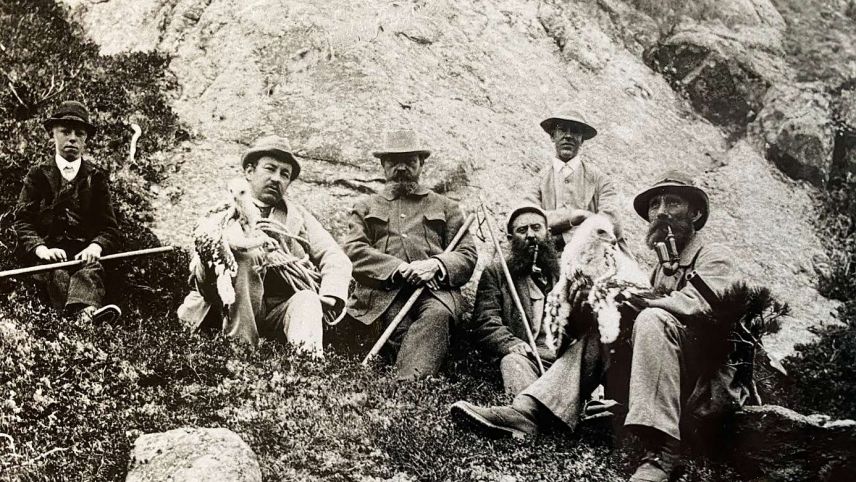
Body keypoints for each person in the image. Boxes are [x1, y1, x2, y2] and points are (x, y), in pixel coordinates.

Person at [451, 171, 735, 482]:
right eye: (655, 205)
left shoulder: (714, 256)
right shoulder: (660, 267)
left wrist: (633, 299)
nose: (662, 211)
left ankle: (661, 452)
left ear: (696, 212)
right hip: (661, 373)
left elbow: (701, 308)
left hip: (701, 379)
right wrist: (593, 305)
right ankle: (528, 411)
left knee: (650, 318)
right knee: (605, 327)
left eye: (673, 202)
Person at [177, 135, 352, 356]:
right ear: (250, 172)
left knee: (307, 299)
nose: (277, 179)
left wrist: (331, 295)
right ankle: (240, 355)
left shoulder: (298, 217)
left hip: (276, 312)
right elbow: (200, 274)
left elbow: (335, 257)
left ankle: (308, 371)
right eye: (270, 169)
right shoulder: (221, 213)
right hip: (224, 311)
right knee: (245, 256)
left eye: (284, 174)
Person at [343, 129, 478, 380]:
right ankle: (413, 384)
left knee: (438, 315)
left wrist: (437, 265)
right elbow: (353, 251)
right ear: (383, 165)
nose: (401, 168)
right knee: (398, 328)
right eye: (394, 162)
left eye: (409, 161)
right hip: (385, 295)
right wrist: (398, 268)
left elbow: (467, 254)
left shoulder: (446, 206)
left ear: (421, 164)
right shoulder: (366, 206)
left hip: (436, 292)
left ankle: (404, 387)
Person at [14, 100, 122, 323]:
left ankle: (85, 315)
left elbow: (109, 227)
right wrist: (41, 248)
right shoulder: (37, 175)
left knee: (90, 271)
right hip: (48, 257)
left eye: (79, 133)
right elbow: (23, 220)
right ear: (52, 134)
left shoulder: (96, 178)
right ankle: (75, 320)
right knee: (55, 274)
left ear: (86, 140)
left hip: (83, 257)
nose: (72, 138)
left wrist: (95, 246)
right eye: (65, 131)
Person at [468, 204, 561, 395]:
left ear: (548, 233)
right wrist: (511, 344)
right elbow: (485, 322)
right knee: (512, 362)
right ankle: (528, 413)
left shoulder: (563, 275)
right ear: (511, 239)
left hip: (562, 359)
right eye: (522, 230)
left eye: (536, 228)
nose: (531, 235)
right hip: (527, 356)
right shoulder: (497, 274)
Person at [524, 102, 623, 250]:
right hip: (546, 256)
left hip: (590, 253)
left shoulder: (600, 180)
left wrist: (566, 237)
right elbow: (529, 219)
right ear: (553, 136)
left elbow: (611, 221)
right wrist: (576, 216)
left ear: (582, 139)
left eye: (575, 131)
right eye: (562, 130)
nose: (568, 136)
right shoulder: (539, 181)